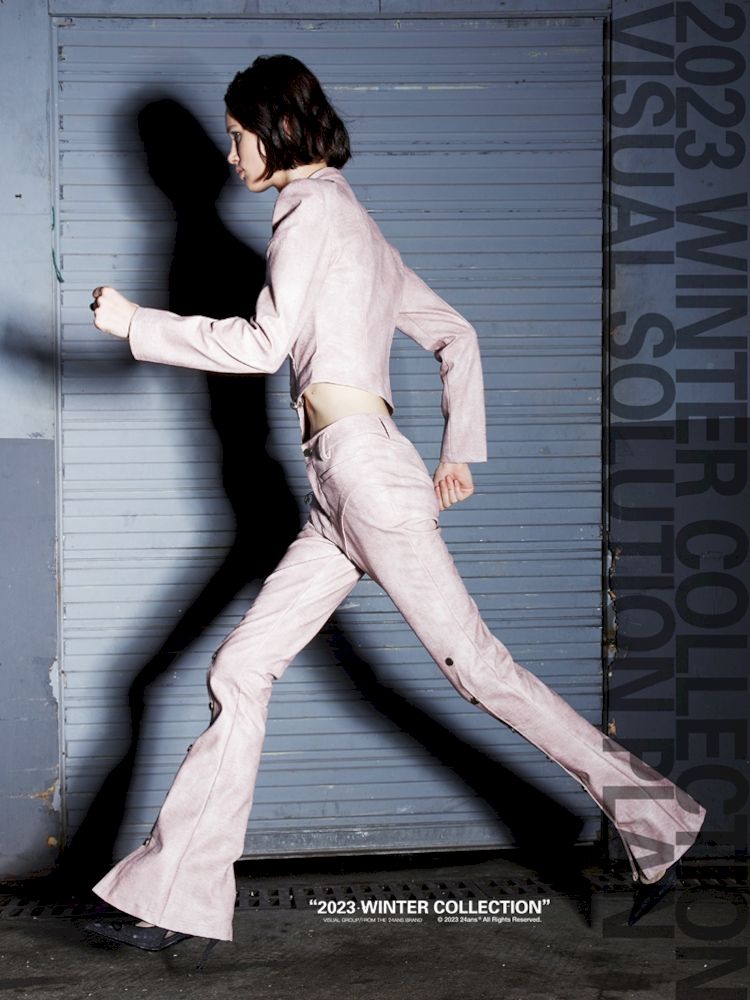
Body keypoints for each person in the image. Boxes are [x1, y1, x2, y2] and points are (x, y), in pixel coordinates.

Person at [84, 54, 705, 964]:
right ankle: (177, 894)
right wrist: (457, 451)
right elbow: (456, 334)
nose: (230, 154)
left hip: (365, 480)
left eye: (238, 135)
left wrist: (136, 323)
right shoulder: (355, 224)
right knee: (241, 667)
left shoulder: (311, 215)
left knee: (481, 671)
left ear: (277, 129)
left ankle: (660, 821)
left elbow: (263, 347)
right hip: (340, 491)